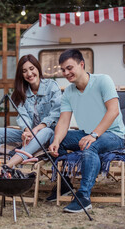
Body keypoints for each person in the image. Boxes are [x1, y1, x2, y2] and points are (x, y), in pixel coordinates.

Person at [49, 49, 125, 213]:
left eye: (69, 68)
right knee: (55, 139)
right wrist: (55, 141)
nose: (66, 73)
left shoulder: (103, 80)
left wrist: (94, 135)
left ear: (81, 64)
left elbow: (113, 111)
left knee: (90, 146)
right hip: (88, 133)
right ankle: (65, 184)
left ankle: (83, 197)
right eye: (63, 70)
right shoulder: (69, 91)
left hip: (114, 135)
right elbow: (63, 121)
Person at [0, 54, 62, 168]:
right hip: (30, 135)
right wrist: (27, 131)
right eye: (24, 71)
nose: (29, 74)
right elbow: (23, 115)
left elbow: (55, 114)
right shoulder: (21, 91)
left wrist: (36, 129)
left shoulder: (51, 86)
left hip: (49, 134)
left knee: (45, 131)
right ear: (21, 74)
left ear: (38, 68)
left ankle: (10, 164)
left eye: (32, 69)